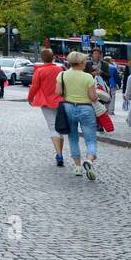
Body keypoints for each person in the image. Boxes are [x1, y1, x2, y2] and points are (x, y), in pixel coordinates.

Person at [55, 51, 101, 179]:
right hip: (86, 108)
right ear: (81, 63)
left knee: (73, 137)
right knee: (90, 139)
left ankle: (77, 167)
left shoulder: (62, 75)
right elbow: (93, 97)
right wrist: (97, 95)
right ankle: (89, 160)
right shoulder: (87, 77)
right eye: (84, 61)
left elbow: (58, 92)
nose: (86, 63)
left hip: (68, 107)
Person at [27, 47, 66, 166]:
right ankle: (60, 152)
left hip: (46, 102)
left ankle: (59, 154)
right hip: (60, 101)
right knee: (60, 127)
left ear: (42, 59)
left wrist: (30, 98)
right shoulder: (60, 69)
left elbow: (34, 86)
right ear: (53, 57)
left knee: (52, 126)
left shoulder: (39, 71)